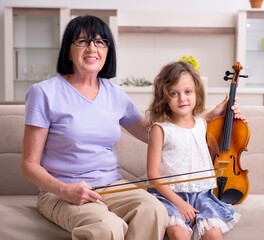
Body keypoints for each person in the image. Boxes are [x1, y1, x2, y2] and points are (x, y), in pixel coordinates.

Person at [21, 15, 243, 240]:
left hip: (112, 186)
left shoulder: (114, 94)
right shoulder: (44, 93)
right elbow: (29, 165)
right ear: (68, 50)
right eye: (82, 41)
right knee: (106, 227)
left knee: (154, 209)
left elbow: (156, 133)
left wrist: (209, 118)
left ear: (108, 50)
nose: (92, 48)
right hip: (63, 191)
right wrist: (64, 190)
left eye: (100, 42)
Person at [146, 61, 241, 240]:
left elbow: (200, 123)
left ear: (197, 93)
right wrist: (180, 203)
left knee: (214, 234)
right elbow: (153, 174)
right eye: (174, 93)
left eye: (188, 92)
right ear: (164, 97)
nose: (182, 99)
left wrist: (226, 111)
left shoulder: (201, 124)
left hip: (201, 194)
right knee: (179, 234)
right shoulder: (160, 130)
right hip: (170, 196)